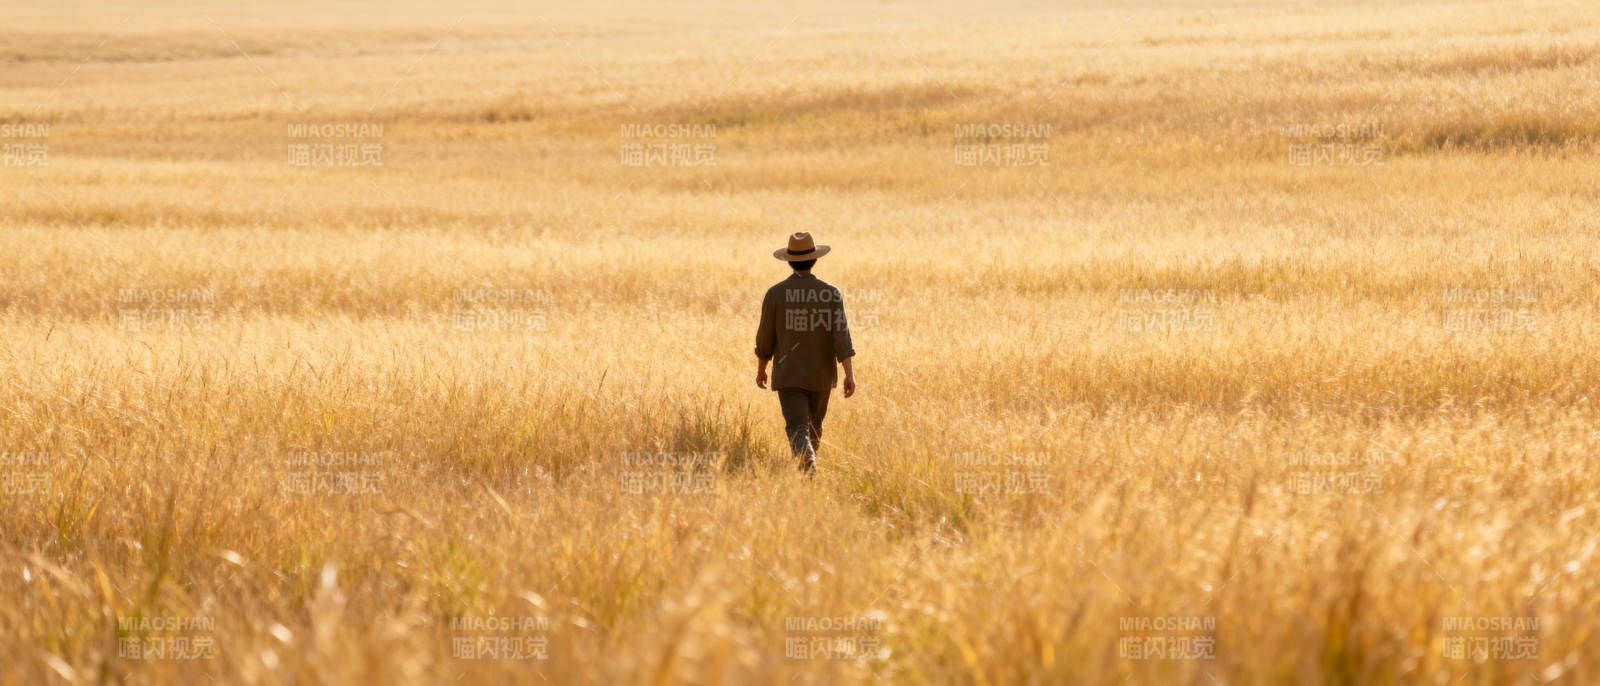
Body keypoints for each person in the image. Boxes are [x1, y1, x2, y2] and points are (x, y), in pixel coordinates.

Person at [754, 232, 856, 473]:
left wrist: (761, 370)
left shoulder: (775, 294)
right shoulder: (830, 293)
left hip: (788, 375)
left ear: (789, 261)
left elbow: (765, 338)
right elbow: (841, 336)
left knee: (797, 427)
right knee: (814, 428)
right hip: (821, 376)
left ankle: (807, 465)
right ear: (815, 260)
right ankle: (808, 471)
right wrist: (849, 374)